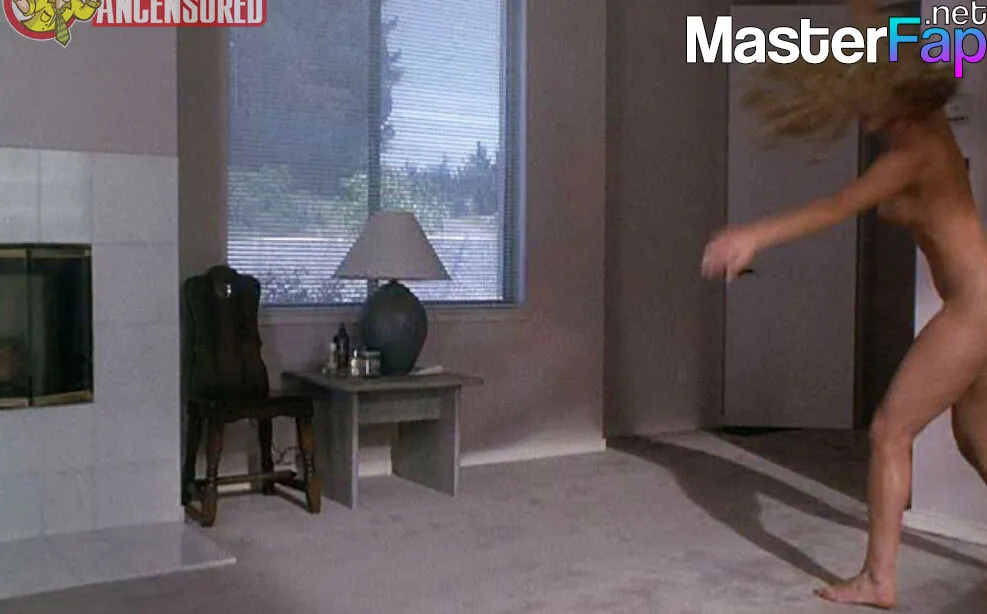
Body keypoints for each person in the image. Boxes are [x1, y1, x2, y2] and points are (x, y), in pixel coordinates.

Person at [701, 1, 987, 609]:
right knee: (974, 436)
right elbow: (889, 31)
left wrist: (752, 236)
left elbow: (835, 206)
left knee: (890, 430)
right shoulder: (928, 134)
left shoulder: (912, 154)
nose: (858, 100)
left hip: (975, 308)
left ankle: (879, 580)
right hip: (979, 302)